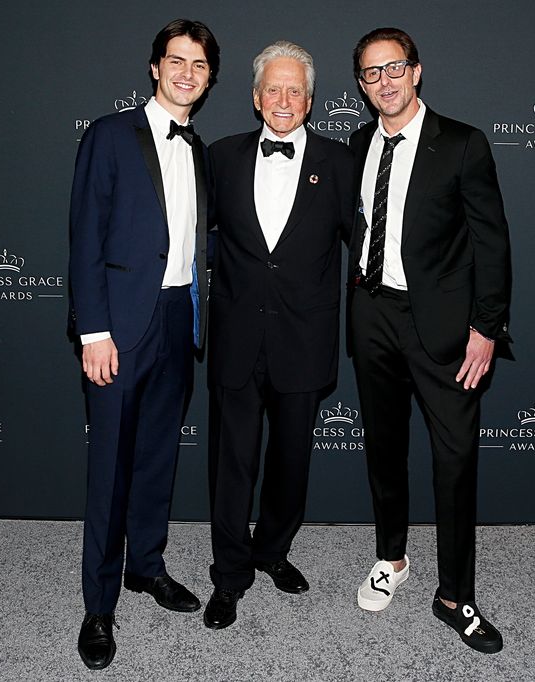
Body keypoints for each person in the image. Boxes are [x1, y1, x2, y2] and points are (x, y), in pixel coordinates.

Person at [347, 27, 513, 654]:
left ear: (416, 72)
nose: (384, 82)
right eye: (370, 73)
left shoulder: (463, 144)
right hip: (370, 316)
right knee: (384, 449)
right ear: (361, 85)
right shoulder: (357, 143)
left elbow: (492, 244)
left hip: (443, 327)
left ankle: (455, 595)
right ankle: (391, 558)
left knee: (454, 460)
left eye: (394, 69)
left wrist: (486, 328)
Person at [67, 18, 218, 669]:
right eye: (176, 60)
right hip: (119, 326)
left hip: (178, 321)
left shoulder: (201, 148)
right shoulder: (108, 135)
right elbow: (84, 238)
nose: (187, 72)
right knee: (110, 471)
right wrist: (93, 330)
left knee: (158, 457)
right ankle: (98, 605)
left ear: (210, 78)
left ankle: (146, 567)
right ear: (155, 68)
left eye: (200, 64)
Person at [202, 40, 355, 630]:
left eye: (295, 90)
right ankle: (230, 576)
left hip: (304, 339)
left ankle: (273, 550)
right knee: (231, 465)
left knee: (292, 462)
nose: (284, 99)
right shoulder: (221, 157)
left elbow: (367, 246)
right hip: (237, 337)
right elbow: (194, 235)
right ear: (255, 97)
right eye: (273, 88)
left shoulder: (339, 163)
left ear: (310, 100)